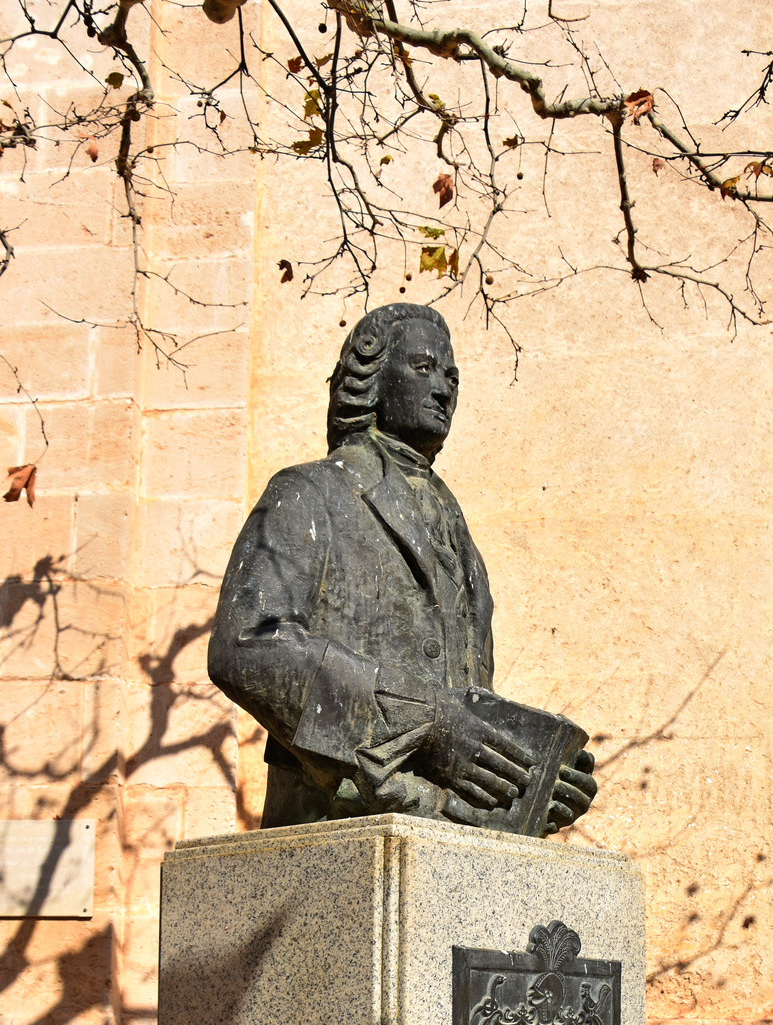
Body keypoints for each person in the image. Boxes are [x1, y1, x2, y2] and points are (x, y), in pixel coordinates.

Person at [208, 303, 597, 832]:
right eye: (422, 367)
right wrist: (427, 725)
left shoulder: (454, 526)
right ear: (370, 380)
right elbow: (248, 646)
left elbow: (464, 706)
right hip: (332, 830)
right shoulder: (310, 492)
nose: (443, 388)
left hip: (436, 836)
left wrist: (527, 779)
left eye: (451, 376)